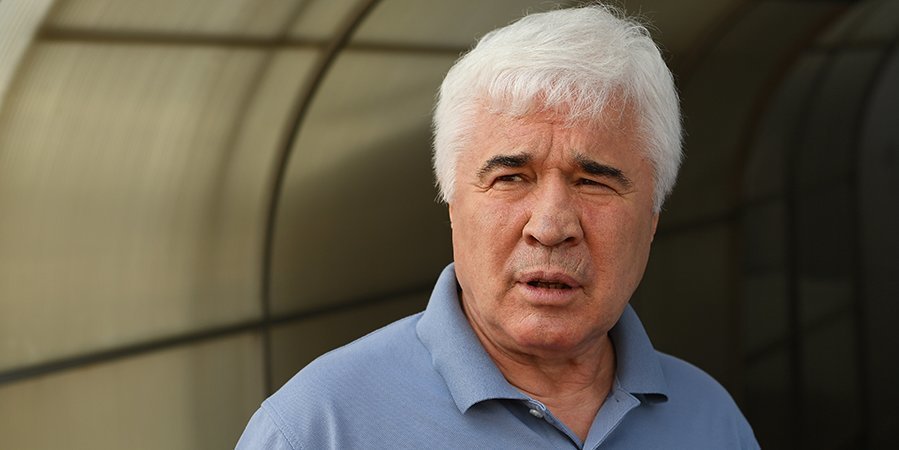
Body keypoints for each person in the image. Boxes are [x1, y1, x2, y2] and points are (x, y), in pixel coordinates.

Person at [237, 5, 759, 449]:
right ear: (451, 203)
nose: (551, 227)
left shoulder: (710, 420)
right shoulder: (318, 428)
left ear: (652, 219)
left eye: (593, 182)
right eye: (511, 178)